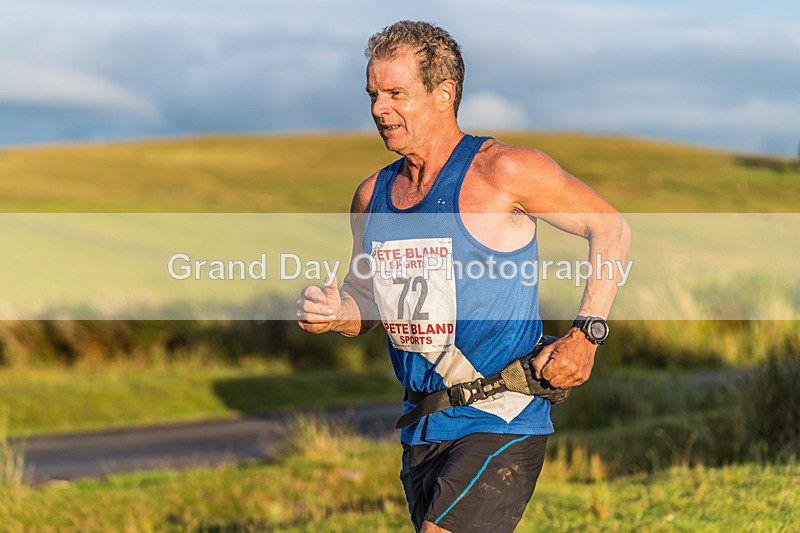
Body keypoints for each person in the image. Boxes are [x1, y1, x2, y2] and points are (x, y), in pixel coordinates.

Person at [297, 20, 631, 533]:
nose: (378, 109)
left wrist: (587, 334)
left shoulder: (503, 171)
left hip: (502, 416)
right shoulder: (371, 197)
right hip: (423, 426)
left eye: (395, 94)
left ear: (443, 94)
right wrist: (334, 312)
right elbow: (365, 299)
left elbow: (609, 227)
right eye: (372, 95)